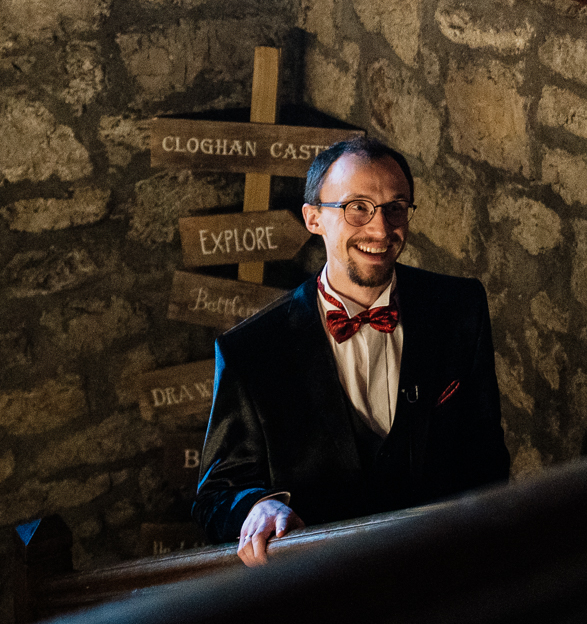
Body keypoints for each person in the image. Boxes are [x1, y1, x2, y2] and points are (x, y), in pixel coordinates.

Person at [193, 136, 510, 565]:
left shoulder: (459, 307)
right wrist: (256, 505)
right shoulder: (251, 349)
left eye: (395, 207)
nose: (380, 230)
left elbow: (486, 454)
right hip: (322, 588)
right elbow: (216, 495)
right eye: (356, 207)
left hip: (440, 573)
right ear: (313, 219)